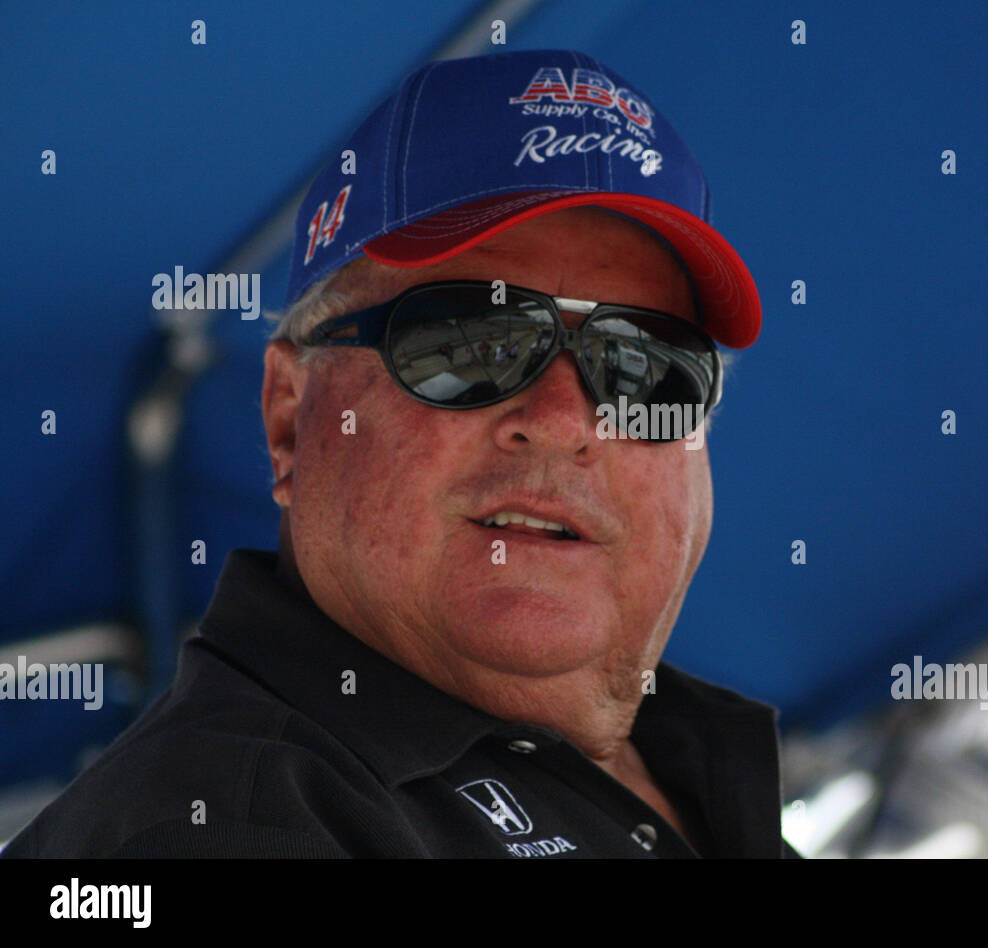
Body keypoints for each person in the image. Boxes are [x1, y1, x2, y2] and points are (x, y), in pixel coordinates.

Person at [3, 49, 793, 858]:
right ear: (289, 419)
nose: (565, 419)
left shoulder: (698, 770)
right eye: (472, 341)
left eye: (646, 365)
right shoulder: (213, 828)